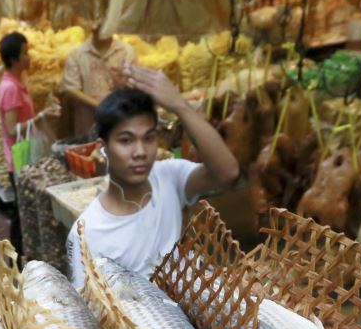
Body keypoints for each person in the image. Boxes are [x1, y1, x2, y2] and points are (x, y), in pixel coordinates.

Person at [65, 81, 241, 290]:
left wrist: (179, 106)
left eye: (148, 138)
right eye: (126, 140)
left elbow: (228, 172)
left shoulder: (168, 176)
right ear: (103, 148)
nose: (140, 152)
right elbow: (86, 304)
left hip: (185, 302)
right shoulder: (87, 233)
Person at [0, 32, 61, 252]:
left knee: (23, 209)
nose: (29, 56)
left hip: (21, 155)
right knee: (21, 211)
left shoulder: (15, 82)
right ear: (14, 59)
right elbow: (11, 129)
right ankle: (16, 256)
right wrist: (40, 118)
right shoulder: (10, 88)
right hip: (19, 156)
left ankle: (20, 254)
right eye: (25, 53)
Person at [61, 33, 139, 138]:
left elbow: (134, 86)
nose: (99, 25)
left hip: (119, 121)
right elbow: (71, 89)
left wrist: (122, 82)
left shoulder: (126, 52)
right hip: (88, 124)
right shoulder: (77, 54)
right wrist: (100, 105)